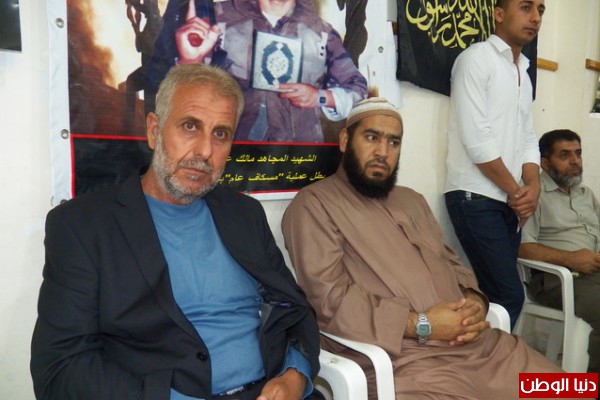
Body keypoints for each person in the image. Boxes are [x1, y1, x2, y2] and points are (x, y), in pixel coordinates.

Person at [30, 63, 323, 400]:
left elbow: (294, 308)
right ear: (154, 130)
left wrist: (295, 374)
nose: (204, 151)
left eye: (220, 134)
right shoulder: (83, 226)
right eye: (190, 126)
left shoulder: (244, 214)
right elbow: (61, 368)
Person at [282, 98, 576, 400]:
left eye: (393, 142)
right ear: (345, 140)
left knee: (574, 390)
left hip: (483, 349)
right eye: (371, 138)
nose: (383, 152)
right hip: (408, 364)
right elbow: (329, 300)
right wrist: (423, 325)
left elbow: (453, 263)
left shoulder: (412, 200)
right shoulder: (314, 205)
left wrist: (475, 301)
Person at [444, 0, 546, 328]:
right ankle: (491, 360)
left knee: (495, 298)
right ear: (499, 14)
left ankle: (485, 358)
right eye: (526, 7)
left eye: (541, 10)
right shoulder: (476, 59)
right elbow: (477, 141)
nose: (535, 17)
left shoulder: (522, 72)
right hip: (474, 197)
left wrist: (534, 186)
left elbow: (527, 138)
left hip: (508, 202)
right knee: (509, 296)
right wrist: (518, 193)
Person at [145, 0, 368, 142]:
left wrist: (320, 97)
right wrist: (190, 60)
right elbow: (164, 94)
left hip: (300, 161)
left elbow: (358, 91)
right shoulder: (215, 19)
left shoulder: (322, 33)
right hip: (229, 159)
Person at [519, 129, 600, 374]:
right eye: (565, 155)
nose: (575, 161)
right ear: (545, 163)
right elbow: (521, 248)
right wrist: (571, 259)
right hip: (557, 279)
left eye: (578, 154)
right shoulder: (533, 195)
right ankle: (589, 385)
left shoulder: (585, 194)